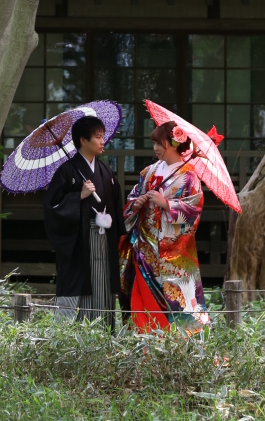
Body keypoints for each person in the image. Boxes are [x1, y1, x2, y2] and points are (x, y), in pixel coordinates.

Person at [119, 119, 210, 332]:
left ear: (173, 144)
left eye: (159, 144)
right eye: (154, 144)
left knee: (177, 299)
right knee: (141, 299)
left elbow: (193, 209)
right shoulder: (148, 172)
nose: (155, 148)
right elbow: (132, 198)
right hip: (144, 247)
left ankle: (177, 347)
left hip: (173, 252)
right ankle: (143, 345)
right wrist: (137, 203)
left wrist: (165, 203)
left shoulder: (189, 176)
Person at [43, 113, 125, 319]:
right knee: (78, 289)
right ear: (82, 140)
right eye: (97, 136)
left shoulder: (106, 171)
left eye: (102, 136)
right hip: (79, 242)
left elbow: (116, 205)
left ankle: (102, 337)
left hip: (105, 239)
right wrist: (78, 196)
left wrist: (119, 234)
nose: (102, 141)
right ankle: (74, 341)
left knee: (103, 287)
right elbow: (52, 208)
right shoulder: (65, 171)